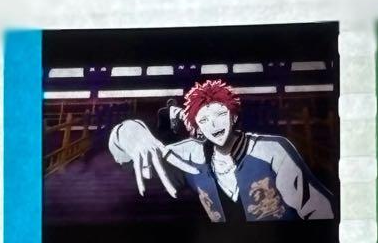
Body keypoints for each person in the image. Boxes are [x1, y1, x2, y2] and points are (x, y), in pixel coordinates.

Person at [107, 79, 335, 222]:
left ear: (233, 116)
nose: (214, 125)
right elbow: (129, 162)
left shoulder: (271, 150)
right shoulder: (191, 154)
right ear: (196, 127)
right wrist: (125, 132)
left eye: (219, 114)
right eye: (204, 120)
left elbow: (319, 208)